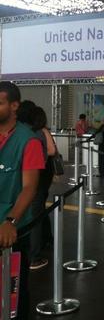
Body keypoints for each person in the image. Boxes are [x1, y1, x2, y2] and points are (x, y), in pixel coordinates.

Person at [0, 82, 45, 319]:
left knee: (13, 296)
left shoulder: (29, 142)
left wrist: (11, 220)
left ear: (14, 105)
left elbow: (29, 188)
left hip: (11, 233)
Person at [29, 107, 56, 270]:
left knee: (37, 209)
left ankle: (44, 240)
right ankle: (35, 254)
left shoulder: (22, 131)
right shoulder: (40, 131)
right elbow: (52, 150)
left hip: (34, 175)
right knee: (37, 210)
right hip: (41, 174)